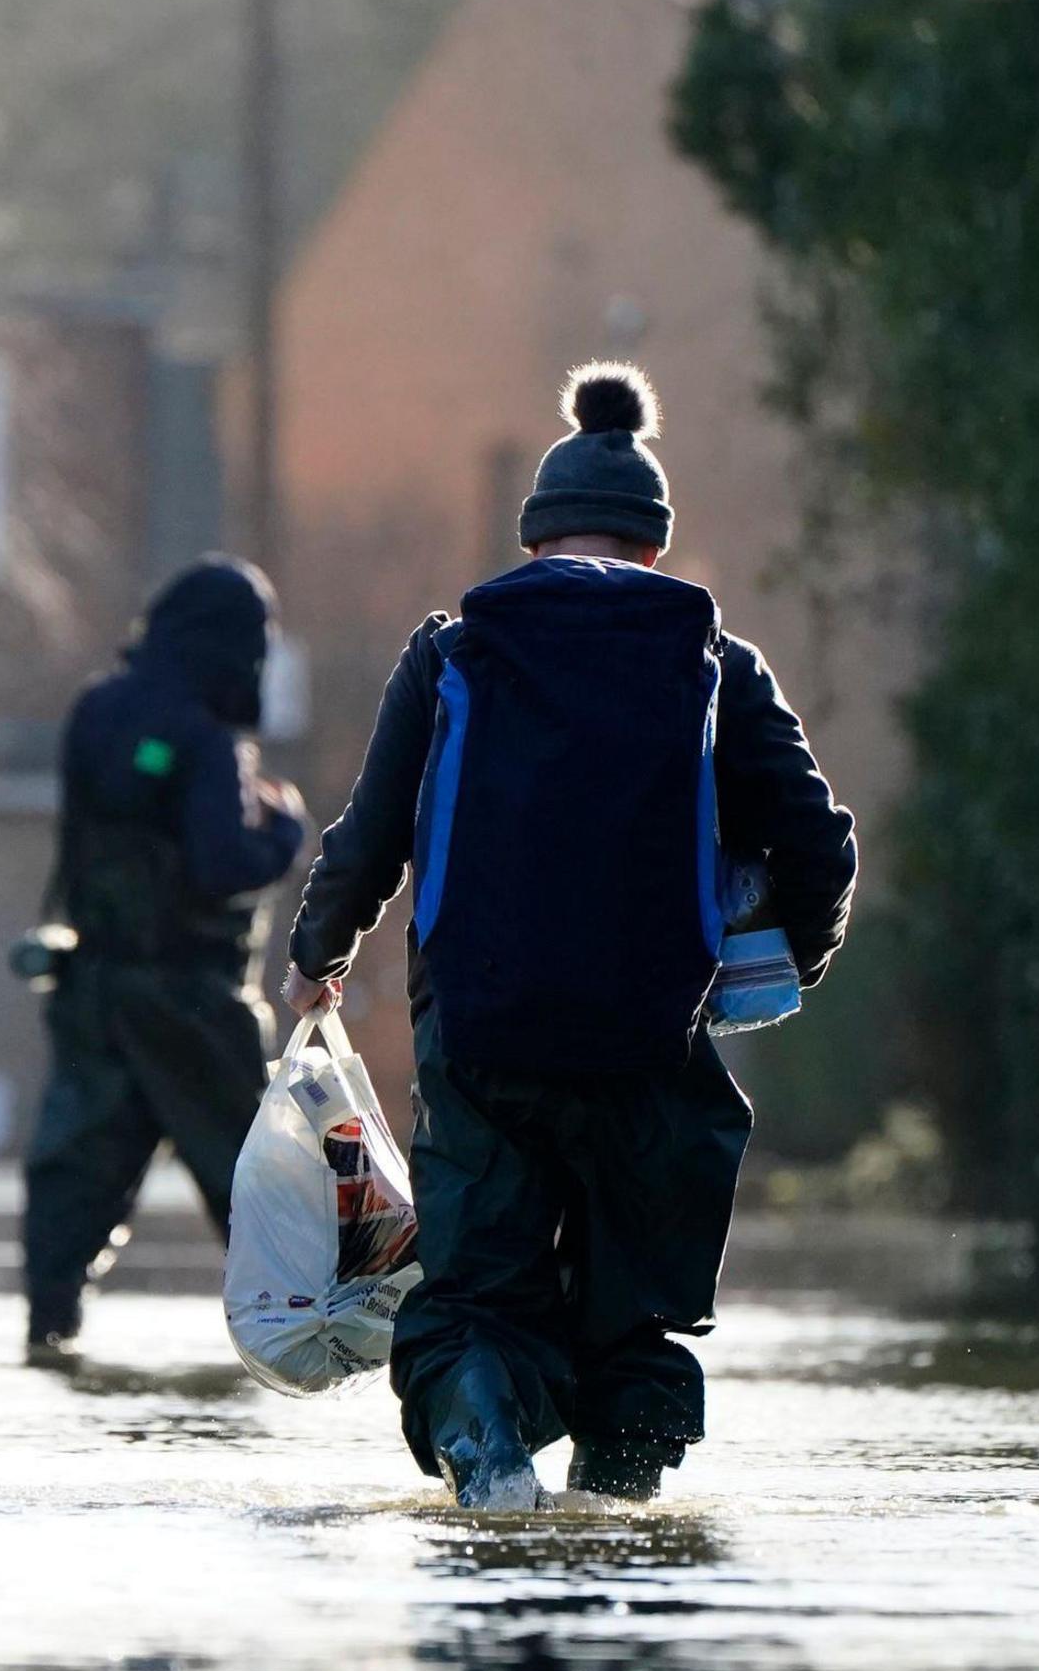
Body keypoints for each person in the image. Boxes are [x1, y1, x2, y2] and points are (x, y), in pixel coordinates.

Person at [281, 364, 854, 1508]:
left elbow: (372, 832)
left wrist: (319, 954)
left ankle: (485, 1440)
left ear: (533, 538)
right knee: (632, 1313)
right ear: (657, 549)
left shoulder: (454, 655)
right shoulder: (715, 667)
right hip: (649, 1042)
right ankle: (618, 1518)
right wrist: (779, 965)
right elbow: (819, 840)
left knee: (475, 1293)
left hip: (482, 1038)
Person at [21, 555, 311, 1366]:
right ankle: (297, 1343)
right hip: (191, 1000)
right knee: (252, 1183)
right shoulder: (204, 737)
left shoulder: (95, 711)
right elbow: (223, 865)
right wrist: (283, 831)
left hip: (91, 988)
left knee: (72, 1177)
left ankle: (48, 1333)